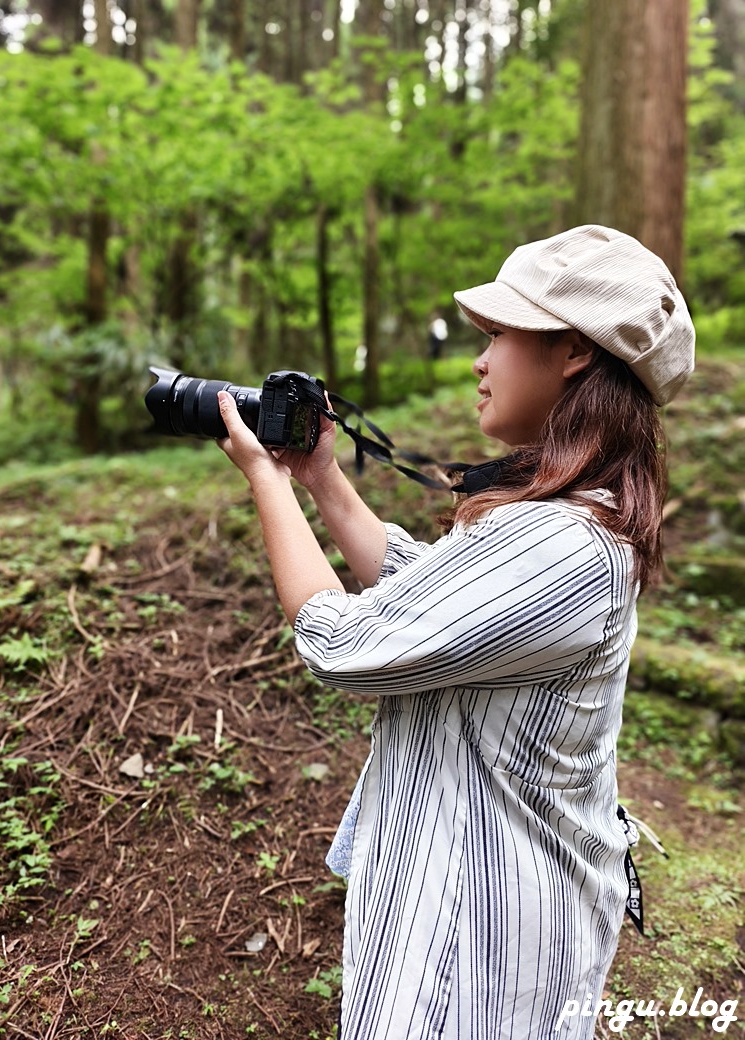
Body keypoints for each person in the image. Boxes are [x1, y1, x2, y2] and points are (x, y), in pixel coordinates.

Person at [215, 224, 695, 1040]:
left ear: (573, 352)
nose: (479, 360)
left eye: (501, 334)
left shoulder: (564, 546)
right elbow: (422, 599)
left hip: (478, 940)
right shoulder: (560, 520)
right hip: (457, 905)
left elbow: (345, 642)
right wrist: (322, 479)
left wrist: (265, 481)